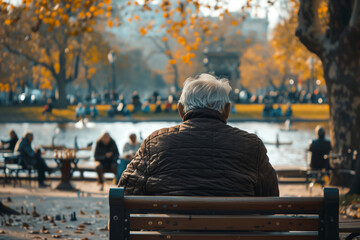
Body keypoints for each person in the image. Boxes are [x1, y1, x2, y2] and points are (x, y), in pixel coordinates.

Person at [119, 74, 279, 196]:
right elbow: (270, 197)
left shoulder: (155, 142)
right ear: (227, 110)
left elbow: (125, 191)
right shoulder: (251, 145)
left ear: (181, 109)